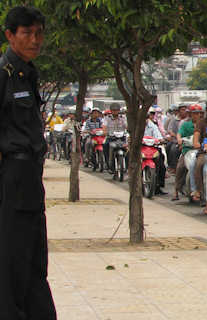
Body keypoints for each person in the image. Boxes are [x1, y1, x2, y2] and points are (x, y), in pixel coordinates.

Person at [0, 6, 56, 319]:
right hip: (12, 178)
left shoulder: (28, 72)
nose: (35, 40)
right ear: (10, 35)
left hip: (30, 177)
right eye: (27, 33)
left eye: (39, 33)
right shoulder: (4, 74)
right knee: (12, 264)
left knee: (35, 261)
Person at [173, 104, 203, 201]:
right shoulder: (185, 124)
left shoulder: (203, 125)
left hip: (200, 151)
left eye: (198, 113)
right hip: (187, 150)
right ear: (190, 114)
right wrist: (179, 139)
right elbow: (179, 133)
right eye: (194, 113)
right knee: (180, 167)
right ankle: (176, 191)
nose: (196, 116)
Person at [146, 107, 167, 195]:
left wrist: (161, 140)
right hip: (139, 149)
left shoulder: (153, 125)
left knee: (161, 161)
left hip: (152, 148)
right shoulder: (135, 125)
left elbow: (159, 136)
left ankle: (158, 185)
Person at [103, 103, 127, 173]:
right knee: (105, 145)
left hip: (122, 138)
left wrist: (128, 130)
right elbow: (104, 126)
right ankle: (108, 164)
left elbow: (126, 126)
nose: (115, 112)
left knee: (129, 149)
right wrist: (105, 132)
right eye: (113, 110)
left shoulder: (123, 118)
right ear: (111, 110)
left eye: (116, 110)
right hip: (111, 138)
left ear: (119, 110)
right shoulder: (107, 118)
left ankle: (128, 166)